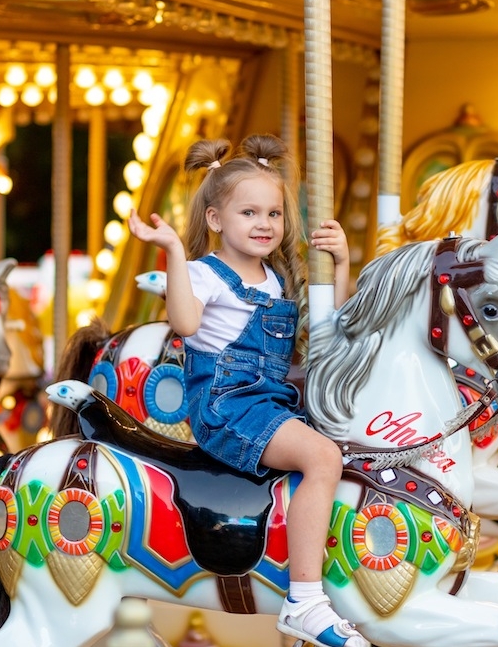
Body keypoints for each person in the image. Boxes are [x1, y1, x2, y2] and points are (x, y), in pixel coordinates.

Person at [128, 134, 366, 647]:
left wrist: (342, 265)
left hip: (270, 402)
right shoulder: (206, 274)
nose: (265, 224)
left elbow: (328, 329)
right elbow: (186, 323)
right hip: (226, 408)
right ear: (216, 220)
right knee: (322, 458)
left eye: (275, 214)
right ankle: (304, 600)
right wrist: (172, 249)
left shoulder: (277, 278)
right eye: (250, 213)